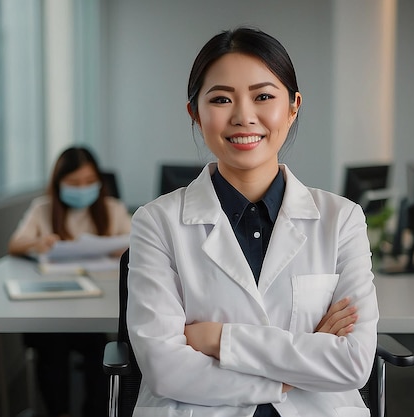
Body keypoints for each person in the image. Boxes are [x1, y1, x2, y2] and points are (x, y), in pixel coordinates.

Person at [127, 27, 379, 417]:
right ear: (195, 112)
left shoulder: (341, 219)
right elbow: (164, 369)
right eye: (221, 99)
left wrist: (219, 339)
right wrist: (292, 372)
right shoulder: (156, 222)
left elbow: (353, 362)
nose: (244, 117)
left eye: (263, 96)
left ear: (293, 106)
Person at [9, 146, 131, 417]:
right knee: (51, 348)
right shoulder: (42, 209)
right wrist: (38, 242)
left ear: (99, 182)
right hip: (52, 305)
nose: (82, 188)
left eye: (89, 182)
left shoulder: (112, 208)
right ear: (58, 183)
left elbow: (137, 244)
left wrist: (121, 248)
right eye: (74, 183)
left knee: (101, 353)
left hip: (96, 303)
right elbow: (15, 244)